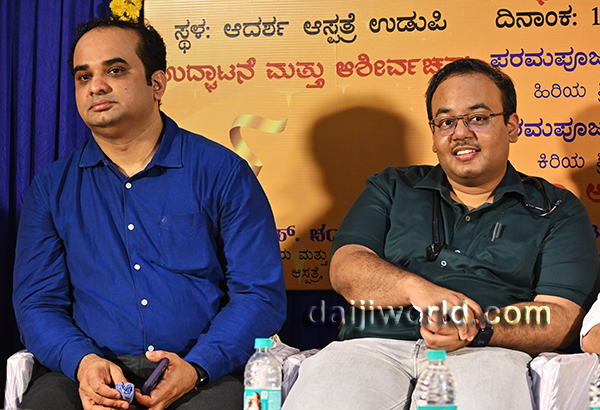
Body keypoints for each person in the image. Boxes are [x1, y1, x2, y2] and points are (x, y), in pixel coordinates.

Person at [282, 58, 599, 410]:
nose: (460, 133)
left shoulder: (556, 208)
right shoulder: (392, 187)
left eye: (478, 118)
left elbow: (561, 316)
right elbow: (347, 269)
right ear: (434, 136)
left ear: (511, 126)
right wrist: (417, 289)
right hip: (370, 346)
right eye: (446, 122)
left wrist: (477, 328)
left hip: (488, 352)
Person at [12, 18, 286, 410]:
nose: (96, 86)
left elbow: (258, 293)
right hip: (86, 375)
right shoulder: (51, 187)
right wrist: (83, 363)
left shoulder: (222, 173)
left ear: (157, 84)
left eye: (115, 70)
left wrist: (199, 365)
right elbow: (38, 303)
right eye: (83, 76)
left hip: (201, 373)